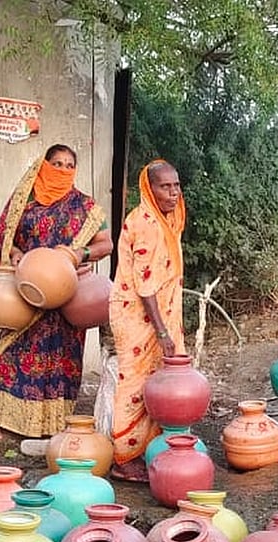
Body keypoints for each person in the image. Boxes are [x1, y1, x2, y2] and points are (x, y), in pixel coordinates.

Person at [0, 144, 114, 441]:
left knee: (61, 358)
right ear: (44, 166)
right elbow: (7, 239)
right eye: (57, 163)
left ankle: (53, 424)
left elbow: (106, 244)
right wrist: (15, 255)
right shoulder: (23, 203)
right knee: (13, 351)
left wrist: (80, 254)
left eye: (69, 165)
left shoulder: (85, 207)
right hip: (27, 291)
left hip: (67, 293)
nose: (63, 170)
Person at [109, 160, 186, 482]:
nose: (173, 193)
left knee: (159, 380)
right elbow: (145, 286)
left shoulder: (168, 219)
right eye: (165, 187)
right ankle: (124, 457)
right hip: (136, 315)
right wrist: (162, 332)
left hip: (161, 314)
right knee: (135, 384)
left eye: (176, 185)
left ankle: (151, 448)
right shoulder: (145, 223)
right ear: (149, 189)